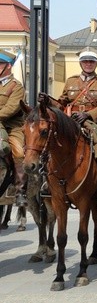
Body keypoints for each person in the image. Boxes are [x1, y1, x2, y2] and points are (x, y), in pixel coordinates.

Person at [43, 47, 97, 197]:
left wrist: (88, 114)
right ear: (81, 63)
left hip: (94, 121)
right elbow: (61, 103)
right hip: (70, 120)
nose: (88, 64)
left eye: (91, 61)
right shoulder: (71, 80)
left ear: (96, 63)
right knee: (48, 143)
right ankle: (48, 181)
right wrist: (48, 100)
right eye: (85, 61)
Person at [0, 50, 29, 207]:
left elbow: (11, 108)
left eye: (0, 64)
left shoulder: (16, 86)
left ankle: (20, 191)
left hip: (12, 127)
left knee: (19, 151)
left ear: (9, 66)